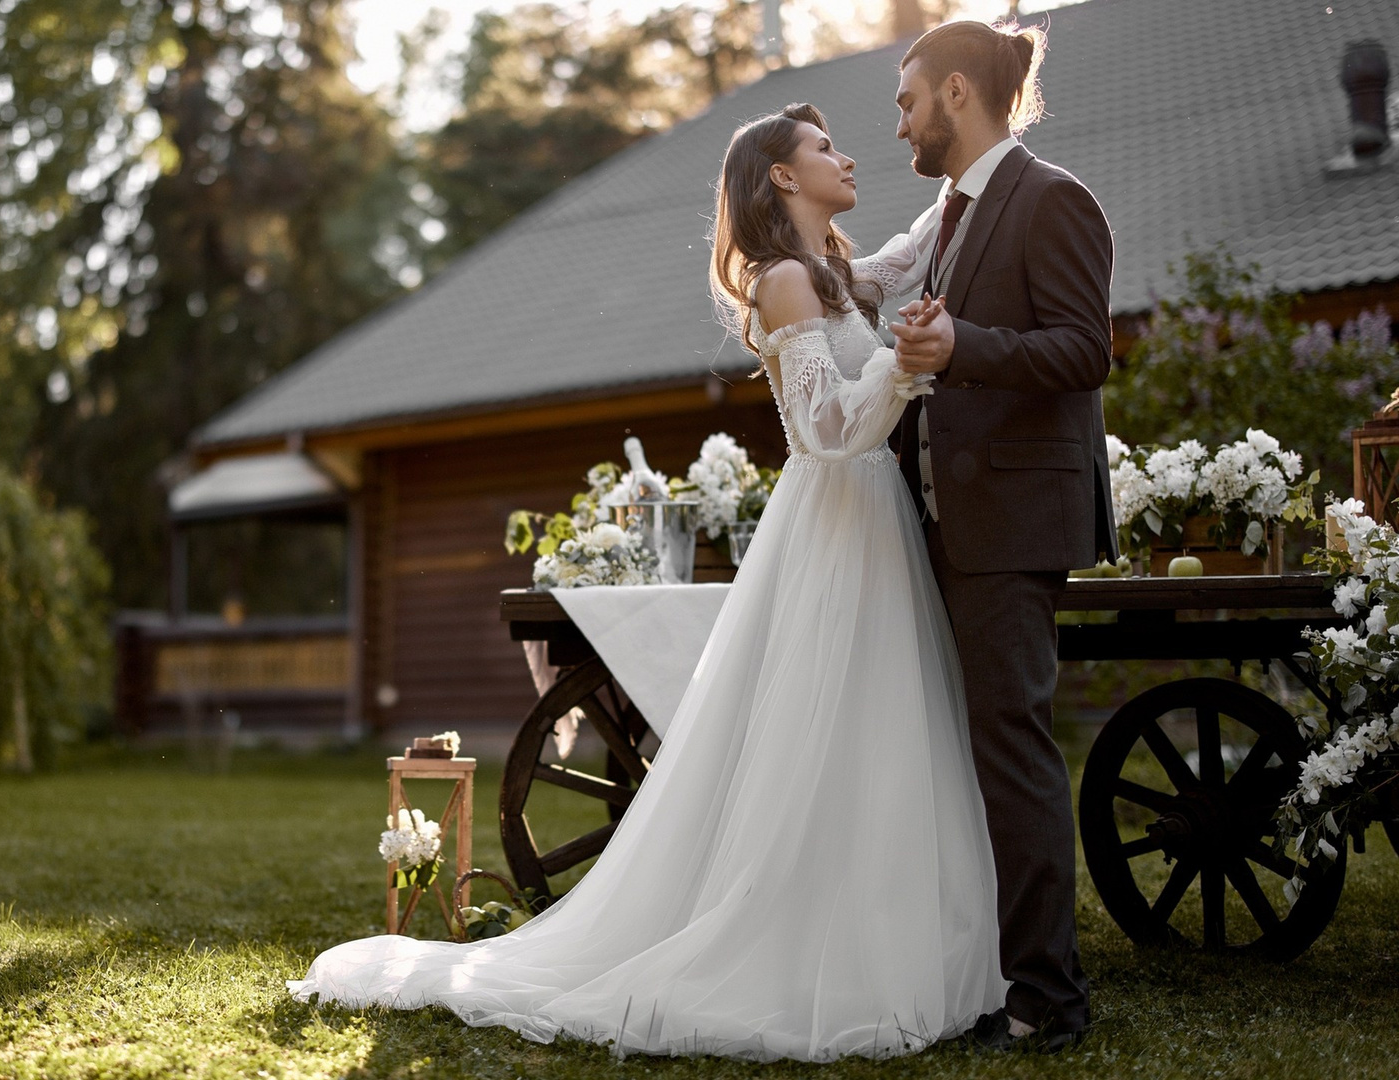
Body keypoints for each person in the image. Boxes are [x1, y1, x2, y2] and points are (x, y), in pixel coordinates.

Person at [287, 100, 1007, 1063]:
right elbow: (826, 433)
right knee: (830, 730)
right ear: (783, 177)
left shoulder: (834, 274)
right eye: (824, 147)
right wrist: (908, 371)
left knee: (881, 730)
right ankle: (807, 947)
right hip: (837, 524)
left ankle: (892, 931)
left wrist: (978, 170)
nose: (848, 155)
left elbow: (912, 253)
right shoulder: (786, 281)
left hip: (874, 533)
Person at [859, 19, 1116, 1053]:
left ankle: (1049, 1001)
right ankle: (982, 971)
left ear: (958, 92)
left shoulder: (1053, 198)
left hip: (1009, 524)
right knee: (970, 753)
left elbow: (1083, 350)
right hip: (941, 522)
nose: (901, 120)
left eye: (908, 99)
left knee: (1011, 752)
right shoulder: (948, 216)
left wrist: (964, 343)